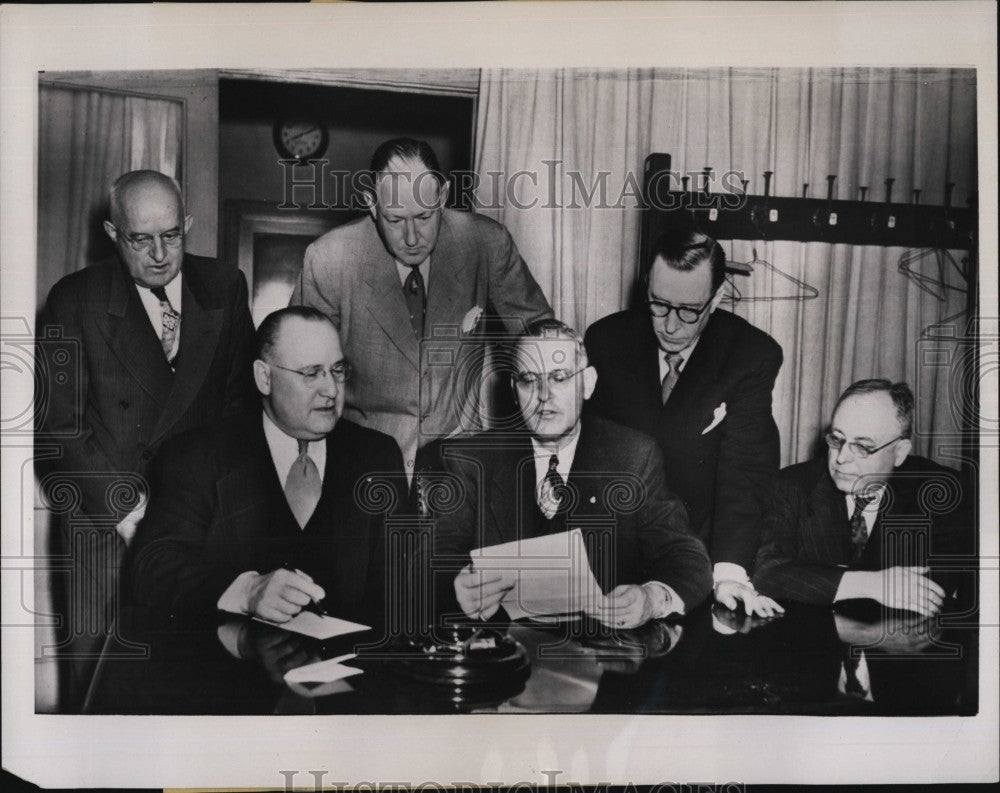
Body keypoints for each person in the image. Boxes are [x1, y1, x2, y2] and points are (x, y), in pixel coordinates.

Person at [36, 169, 256, 708]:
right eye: (140, 239)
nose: (159, 254)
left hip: (195, 529)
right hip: (105, 527)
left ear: (188, 225)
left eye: (172, 236)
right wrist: (130, 511)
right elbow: (57, 430)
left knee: (194, 685)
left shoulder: (224, 287)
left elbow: (239, 411)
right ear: (113, 234)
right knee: (102, 690)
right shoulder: (74, 300)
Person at [128, 307, 405, 629]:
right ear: (264, 377)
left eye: (337, 370)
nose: (331, 389)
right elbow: (151, 568)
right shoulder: (198, 456)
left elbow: (401, 582)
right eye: (311, 373)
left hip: (352, 668)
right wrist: (246, 592)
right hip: (232, 668)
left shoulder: (376, 456)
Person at [293, 137, 552, 478]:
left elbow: (543, 341)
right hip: (361, 464)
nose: (412, 238)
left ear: (442, 196)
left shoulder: (486, 243)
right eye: (396, 220)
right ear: (371, 203)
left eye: (424, 216)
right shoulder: (330, 258)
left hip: (461, 461)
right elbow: (299, 375)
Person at [429, 319, 713, 630]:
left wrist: (651, 599)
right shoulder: (473, 461)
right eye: (528, 380)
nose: (543, 396)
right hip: (500, 655)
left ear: (588, 383)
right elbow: (429, 559)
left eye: (560, 378)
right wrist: (456, 584)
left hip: (599, 654)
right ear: (513, 390)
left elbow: (687, 557)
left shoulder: (631, 458)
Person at [584, 227, 783, 616]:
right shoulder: (606, 340)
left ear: (718, 297)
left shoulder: (750, 356)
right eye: (658, 304)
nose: (670, 326)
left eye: (689, 310)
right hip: (614, 553)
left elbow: (744, 474)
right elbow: (590, 459)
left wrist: (729, 571)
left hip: (699, 558)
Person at [753, 379, 972, 616]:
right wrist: (871, 584)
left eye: (863, 447)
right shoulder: (791, 486)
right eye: (837, 439)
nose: (841, 458)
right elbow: (766, 571)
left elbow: (936, 585)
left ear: (899, 452)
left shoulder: (942, 490)